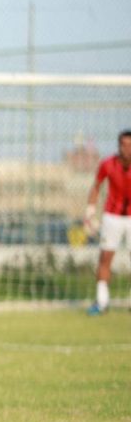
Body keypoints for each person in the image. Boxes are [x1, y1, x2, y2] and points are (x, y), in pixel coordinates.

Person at [84, 129, 131, 315]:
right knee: (105, 258)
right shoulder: (108, 164)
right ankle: (102, 302)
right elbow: (96, 187)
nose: (127, 149)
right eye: (124, 145)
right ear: (118, 146)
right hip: (112, 217)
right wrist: (90, 212)